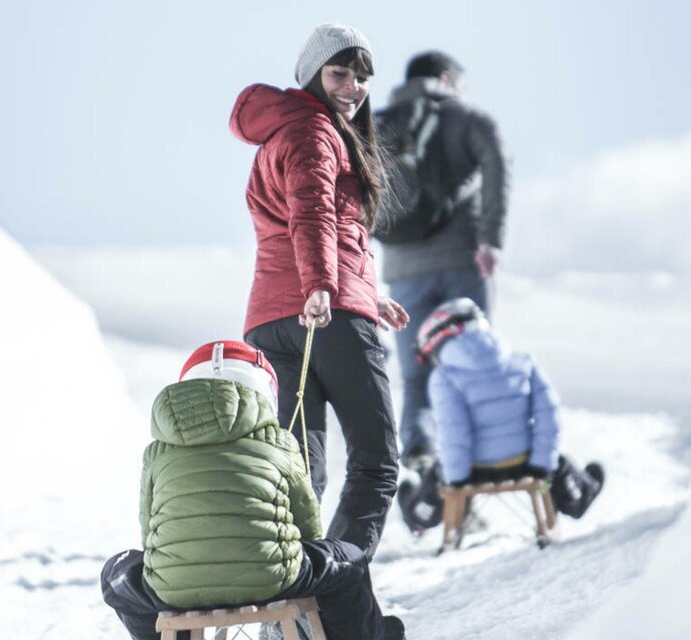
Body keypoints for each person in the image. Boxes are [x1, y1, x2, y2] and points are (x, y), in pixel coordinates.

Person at [230, 24, 409, 561]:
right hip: (323, 315)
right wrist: (324, 288)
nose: (353, 86)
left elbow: (308, 225)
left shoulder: (282, 131)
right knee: (376, 464)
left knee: (301, 473)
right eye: (340, 73)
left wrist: (361, 293)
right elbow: (312, 215)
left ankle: (290, 609)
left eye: (361, 77)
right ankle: (330, 593)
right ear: (312, 73)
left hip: (271, 321)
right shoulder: (314, 131)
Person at [100, 341, 406, 640]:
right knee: (348, 558)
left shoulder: (158, 452)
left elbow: (149, 528)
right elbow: (306, 524)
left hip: (174, 587)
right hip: (273, 579)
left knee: (116, 574)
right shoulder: (279, 442)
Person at [378, 51, 510, 475]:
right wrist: (490, 240)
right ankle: (476, 471)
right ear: (446, 79)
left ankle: (421, 460)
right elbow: (497, 166)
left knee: (416, 377)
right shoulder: (469, 118)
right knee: (473, 369)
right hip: (462, 263)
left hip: (402, 272)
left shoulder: (376, 124)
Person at [397, 299, 604, 533]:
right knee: (559, 462)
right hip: (524, 463)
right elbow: (549, 416)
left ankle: (420, 516)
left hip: (473, 470)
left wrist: (456, 480)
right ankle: (578, 496)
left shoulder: (444, 377)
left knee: (438, 473)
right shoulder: (522, 362)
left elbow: (454, 432)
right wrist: (543, 464)